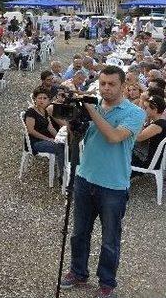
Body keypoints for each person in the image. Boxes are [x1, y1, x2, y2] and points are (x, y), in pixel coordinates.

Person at [60, 66, 145, 298]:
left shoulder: (134, 113)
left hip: (113, 186)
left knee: (110, 239)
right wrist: (73, 122)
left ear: (123, 86)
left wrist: (90, 110)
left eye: (111, 84)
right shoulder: (95, 107)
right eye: (102, 84)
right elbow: (80, 137)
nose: (106, 89)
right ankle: (78, 272)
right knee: (79, 233)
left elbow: (114, 136)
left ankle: (107, 283)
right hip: (85, 178)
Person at [24, 87, 65, 174]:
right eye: (39, 98)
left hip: (45, 139)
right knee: (61, 148)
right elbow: (31, 131)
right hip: (35, 142)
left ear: (48, 100)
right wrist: (48, 139)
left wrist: (59, 137)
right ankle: (63, 175)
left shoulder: (45, 111)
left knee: (65, 144)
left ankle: (65, 171)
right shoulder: (31, 112)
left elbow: (50, 128)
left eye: (44, 98)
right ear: (35, 99)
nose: (42, 100)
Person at [131, 95, 166, 172]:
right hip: (147, 158)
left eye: (146, 108)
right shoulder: (157, 122)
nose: (144, 110)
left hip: (146, 162)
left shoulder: (158, 124)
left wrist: (141, 118)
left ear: (155, 110)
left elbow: (138, 137)